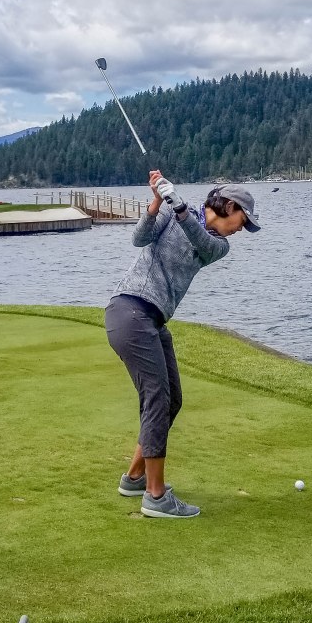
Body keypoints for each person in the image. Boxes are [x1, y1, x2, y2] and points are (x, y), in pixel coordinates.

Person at [104, 170, 261, 519]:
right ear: (229, 206)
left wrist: (179, 209)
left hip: (153, 320)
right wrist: (158, 201)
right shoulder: (174, 212)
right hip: (129, 311)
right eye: (242, 220)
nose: (240, 228)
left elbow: (200, 241)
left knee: (171, 400)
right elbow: (138, 238)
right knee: (156, 399)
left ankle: (134, 477)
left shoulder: (218, 245)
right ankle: (156, 496)